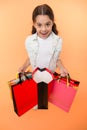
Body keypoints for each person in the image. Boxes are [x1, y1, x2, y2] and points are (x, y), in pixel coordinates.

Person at [18, 4, 68, 77]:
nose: (44, 29)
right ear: (34, 24)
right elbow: (31, 58)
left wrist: (62, 68)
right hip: (35, 77)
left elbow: (56, 59)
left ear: (52, 23)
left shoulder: (57, 40)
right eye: (39, 25)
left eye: (47, 24)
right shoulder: (29, 41)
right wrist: (23, 67)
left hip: (50, 78)